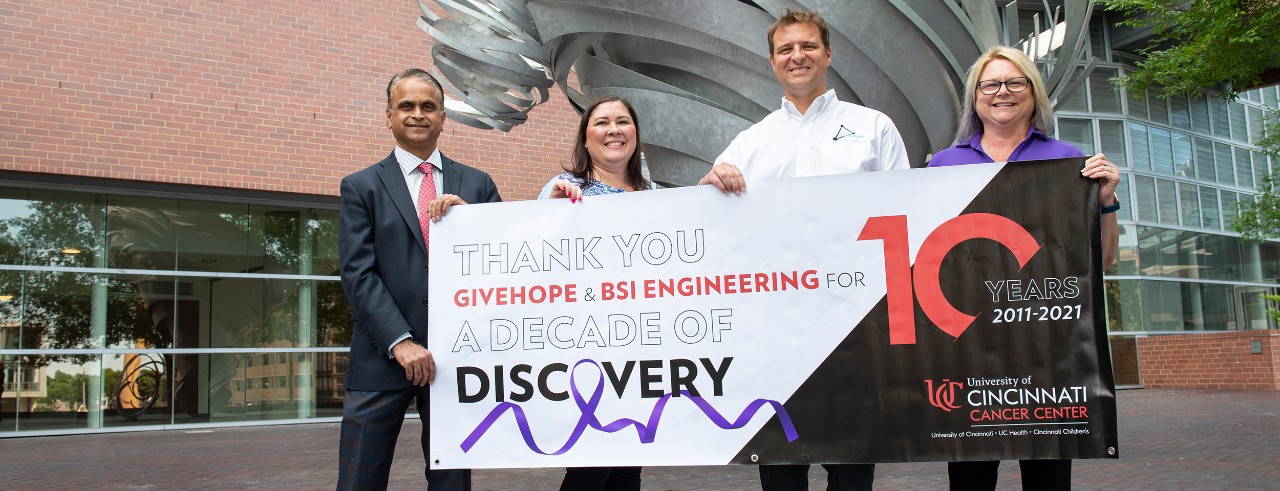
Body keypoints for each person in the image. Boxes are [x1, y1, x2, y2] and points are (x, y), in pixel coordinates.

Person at [698, 8, 910, 491]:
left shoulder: (874, 128)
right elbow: (711, 233)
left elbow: (905, 220)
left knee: (852, 469)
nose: (798, 56)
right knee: (782, 473)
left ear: (828, 54)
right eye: (786, 49)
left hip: (854, 330)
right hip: (776, 334)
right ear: (773, 62)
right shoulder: (750, 142)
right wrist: (709, 187)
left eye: (808, 46)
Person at [927, 45, 1121, 491]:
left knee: (1049, 482)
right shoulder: (943, 165)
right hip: (970, 355)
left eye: (1016, 82)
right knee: (970, 482)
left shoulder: (1069, 160)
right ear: (974, 96)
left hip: (1047, 356)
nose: (1003, 93)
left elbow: (1105, 259)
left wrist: (1106, 200)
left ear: (1034, 93)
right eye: (991, 84)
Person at [336, 68, 501, 491]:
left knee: (451, 484)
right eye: (406, 106)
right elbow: (358, 273)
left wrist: (472, 225)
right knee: (359, 482)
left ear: (443, 117)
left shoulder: (478, 184)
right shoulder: (361, 187)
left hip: (456, 362)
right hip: (382, 359)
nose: (417, 114)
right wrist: (401, 342)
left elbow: (504, 261)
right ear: (388, 116)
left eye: (428, 106)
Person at [540, 95, 650, 491]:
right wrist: (550, 217)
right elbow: (527, 255)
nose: (614, 130)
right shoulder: (563, 188)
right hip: (585, 352)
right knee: (590, 466)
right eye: (602, 122)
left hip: (638, 352)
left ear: (635, 134)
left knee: (627, 470)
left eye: (623, 121)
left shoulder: (657, 197)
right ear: (586, 138)